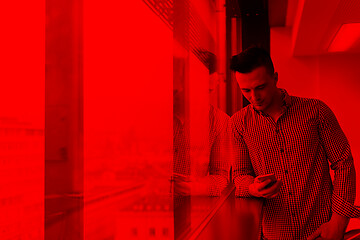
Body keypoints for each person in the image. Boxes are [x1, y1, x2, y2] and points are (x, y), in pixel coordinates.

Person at [229, 46, 360, 239]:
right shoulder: (238, 123)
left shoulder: (316, 111)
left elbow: (343, 163)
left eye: (260, 87)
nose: (254, 97)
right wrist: (253, 188)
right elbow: (240, 176)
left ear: (275, 78)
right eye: (245, 90)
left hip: (322, 231)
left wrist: (338, 222)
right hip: (274, 234)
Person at [172, 53, 230, 197]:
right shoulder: (156, 114)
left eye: (209, 91)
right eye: (198, 89)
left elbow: (221, 176)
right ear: (183, 82)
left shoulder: (220, 121)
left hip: (193, 209)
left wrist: (197, 188)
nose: (204, 97)